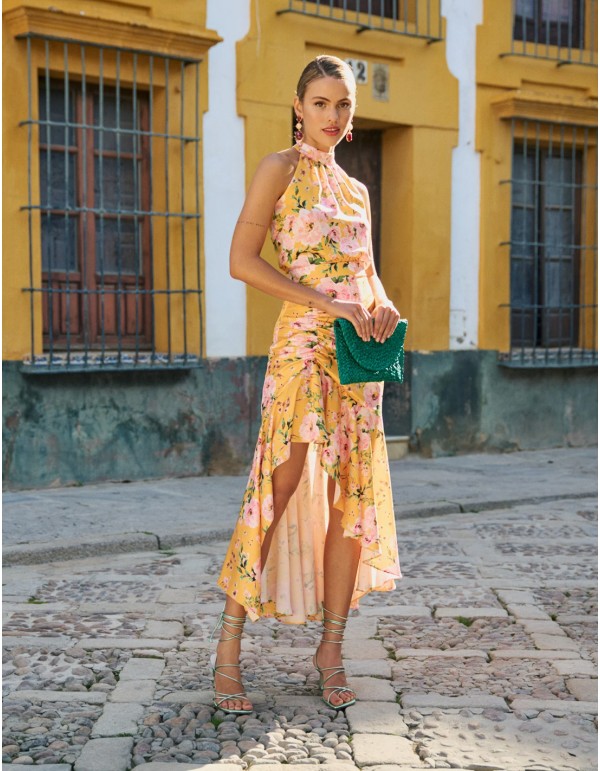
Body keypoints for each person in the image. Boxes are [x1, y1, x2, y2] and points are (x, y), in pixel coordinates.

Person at [213, 54, 402, 714]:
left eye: (344, 105)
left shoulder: (357, 192)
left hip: (355, 359)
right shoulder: (279, 169)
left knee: (353, 500)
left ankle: (331, 648)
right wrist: (326, 303)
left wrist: (381, 306)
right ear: (299, 106)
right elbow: (241, 261)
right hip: (300, 348)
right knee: (279, 483)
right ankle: (230, 644)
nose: (333, 116)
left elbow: (367, 275)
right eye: (321, 103)